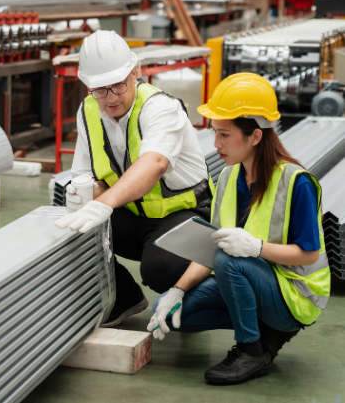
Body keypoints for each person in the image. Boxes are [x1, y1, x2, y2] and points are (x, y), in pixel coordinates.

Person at [146, 72, 331, 385]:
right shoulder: (228, 178)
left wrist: (256, 248)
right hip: (254, 284)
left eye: (224, 134)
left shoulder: (296, 183)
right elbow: (212, 247)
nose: (215, 143)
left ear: (255, 136)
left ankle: (251, 351)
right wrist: (177, 290)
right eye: (214, 132)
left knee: (230, 259)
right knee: (174, 313)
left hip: (295, 296)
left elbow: (309, 254)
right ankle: (265, 332)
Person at [54, 30, 211, 327]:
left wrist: (104, 203)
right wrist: (84, 194)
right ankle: (124, 296)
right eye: (100, 89)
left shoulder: (161, 108)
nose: (111, 97)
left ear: (135, 72)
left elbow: (154, 164)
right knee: (72, 225)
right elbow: (87, 175)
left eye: (118, 85)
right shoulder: (89, 111)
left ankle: (198, 298)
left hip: (185, 215)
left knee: (161, 269)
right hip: (132, 215)